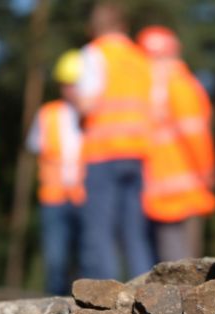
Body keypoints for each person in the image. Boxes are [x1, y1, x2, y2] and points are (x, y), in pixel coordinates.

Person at [76, 2, 155, 279]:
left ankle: (101, 301)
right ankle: (145, 291)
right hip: (137, 154)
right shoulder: (140, 59)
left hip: (103, 153)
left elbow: (86, 103)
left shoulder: (93, 54)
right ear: (124, 26)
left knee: (99, 231)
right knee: (135, 232)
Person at [136, 26, 215, 261]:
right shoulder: (182, 85)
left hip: (159, 192)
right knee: (183, 266)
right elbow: (196, 134)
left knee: (167, 265)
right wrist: (207, 171)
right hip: (184, 187)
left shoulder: (150, 92)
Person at [26, 50, 85, 295]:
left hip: (85, 198)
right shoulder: (48, 113)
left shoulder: (93, 116)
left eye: (75, 84)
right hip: (54, 198)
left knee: (85, 261)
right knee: (56, 261)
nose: (70, 89)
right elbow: (34, 146)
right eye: (66, 84)